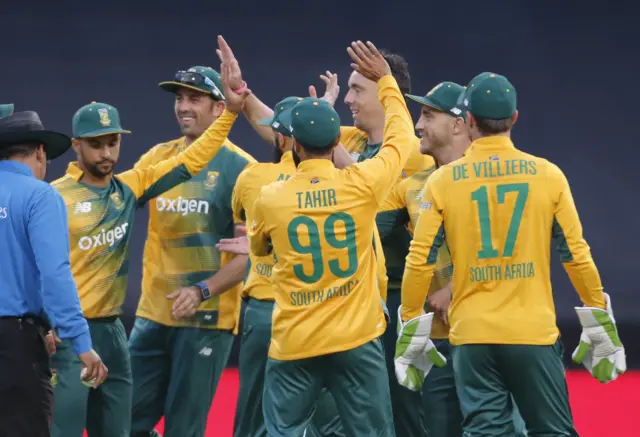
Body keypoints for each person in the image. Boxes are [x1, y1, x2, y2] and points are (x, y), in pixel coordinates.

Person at [400, 72, 626, 436]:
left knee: (487, 432)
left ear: (469, 120)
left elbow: (419, 258)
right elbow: (575, 254)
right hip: (531, 332)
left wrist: (411, 324)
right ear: (515, 118)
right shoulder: (548, 175)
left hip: (472, 337)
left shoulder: (443, 181)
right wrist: (598, 313)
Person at [49, 93, 245, 437]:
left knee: (119, 430)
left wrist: (230, 113)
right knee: (63, 428)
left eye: (113, 142)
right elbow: (36, 266)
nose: (107, 153)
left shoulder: (128, 188)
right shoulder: (55, 197)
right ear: (77, 146)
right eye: (96, 144)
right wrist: (43, 320)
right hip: (70, 330)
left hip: (113, 332)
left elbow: (194, 159)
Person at [247, 40, 412, 437]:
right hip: (356, 336)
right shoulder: (362, 184)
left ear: (294, 145)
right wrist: (388, 83)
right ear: (335, 140)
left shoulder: (271, 197)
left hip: (295, 338)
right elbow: (402, 139)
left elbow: (259, 249)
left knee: (283, 430)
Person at [378, 81, 527, 437]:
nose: (418, 125)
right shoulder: (412, 186)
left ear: (460, 124)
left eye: (429, 114)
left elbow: (517, 248)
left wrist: (457, 286)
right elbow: (359, 229)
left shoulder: (498, 175)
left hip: (495, 337)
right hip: (441, 340)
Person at [129, 50, 256, 437]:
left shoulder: (241, 168)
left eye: (194, 98)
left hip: (207, 320)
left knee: (185, 428)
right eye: (179, 98)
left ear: (220, 107)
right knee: (120, 420)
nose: (183, 107)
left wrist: (203, 291)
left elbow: (250, 255)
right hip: (152, 314)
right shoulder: (158, 157)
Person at [0, 110, 107, 437]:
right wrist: (81, 341)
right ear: (40, 152)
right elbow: (55, 273)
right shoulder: (39, 195)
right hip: (14, 345)